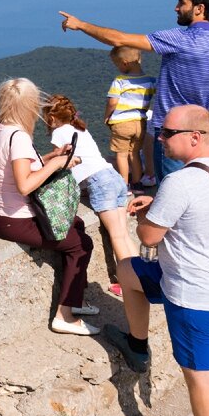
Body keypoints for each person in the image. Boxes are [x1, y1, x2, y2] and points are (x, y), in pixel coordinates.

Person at [103, 105, 209, 416]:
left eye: (168, 132)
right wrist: (157, 205)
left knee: (201, 379)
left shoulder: (180, 181)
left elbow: (149, 237)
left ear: (195, 138)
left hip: (194, 298)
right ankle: (138, 346)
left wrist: (144, 218)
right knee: (128, 271)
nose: (160, 137)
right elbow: (201, 211)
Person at [59, 0, 209, 181]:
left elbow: (120, 40)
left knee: (171, 191)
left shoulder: (180, 38)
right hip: (202, 136)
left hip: (173, 132)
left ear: (199, 9)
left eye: (182, 3)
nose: (176, 8)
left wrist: (81, 25)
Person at [0, 78, 99, 336]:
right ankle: (65, 315)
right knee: (81, 245)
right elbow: (25, 185)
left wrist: (51, 156)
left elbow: (18, 166)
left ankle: (75, 299)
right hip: (15, 218)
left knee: (77, 225)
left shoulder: (0, 128)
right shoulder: (20, 137)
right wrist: (57, 165)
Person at [43, 95, 138, 296]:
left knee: (117, 236)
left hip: (100, 183)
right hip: (114, 178)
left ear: (51, 117)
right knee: (124, 233)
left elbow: (60, 163)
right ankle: (140, 278)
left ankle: (126, 284)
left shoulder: (59, 132)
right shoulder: (80, 128)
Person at [104, 46, 156, 188]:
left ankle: (124, 184)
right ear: (139, 59)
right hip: (140, 123)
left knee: (121, 155)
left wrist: (107, 116)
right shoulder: (150, 80)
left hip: (122, 123)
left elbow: (112, 102)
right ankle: (137, 183)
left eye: (117, 64)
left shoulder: (120, 81)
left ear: (125, 63)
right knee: (134, 153)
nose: (117, 67)